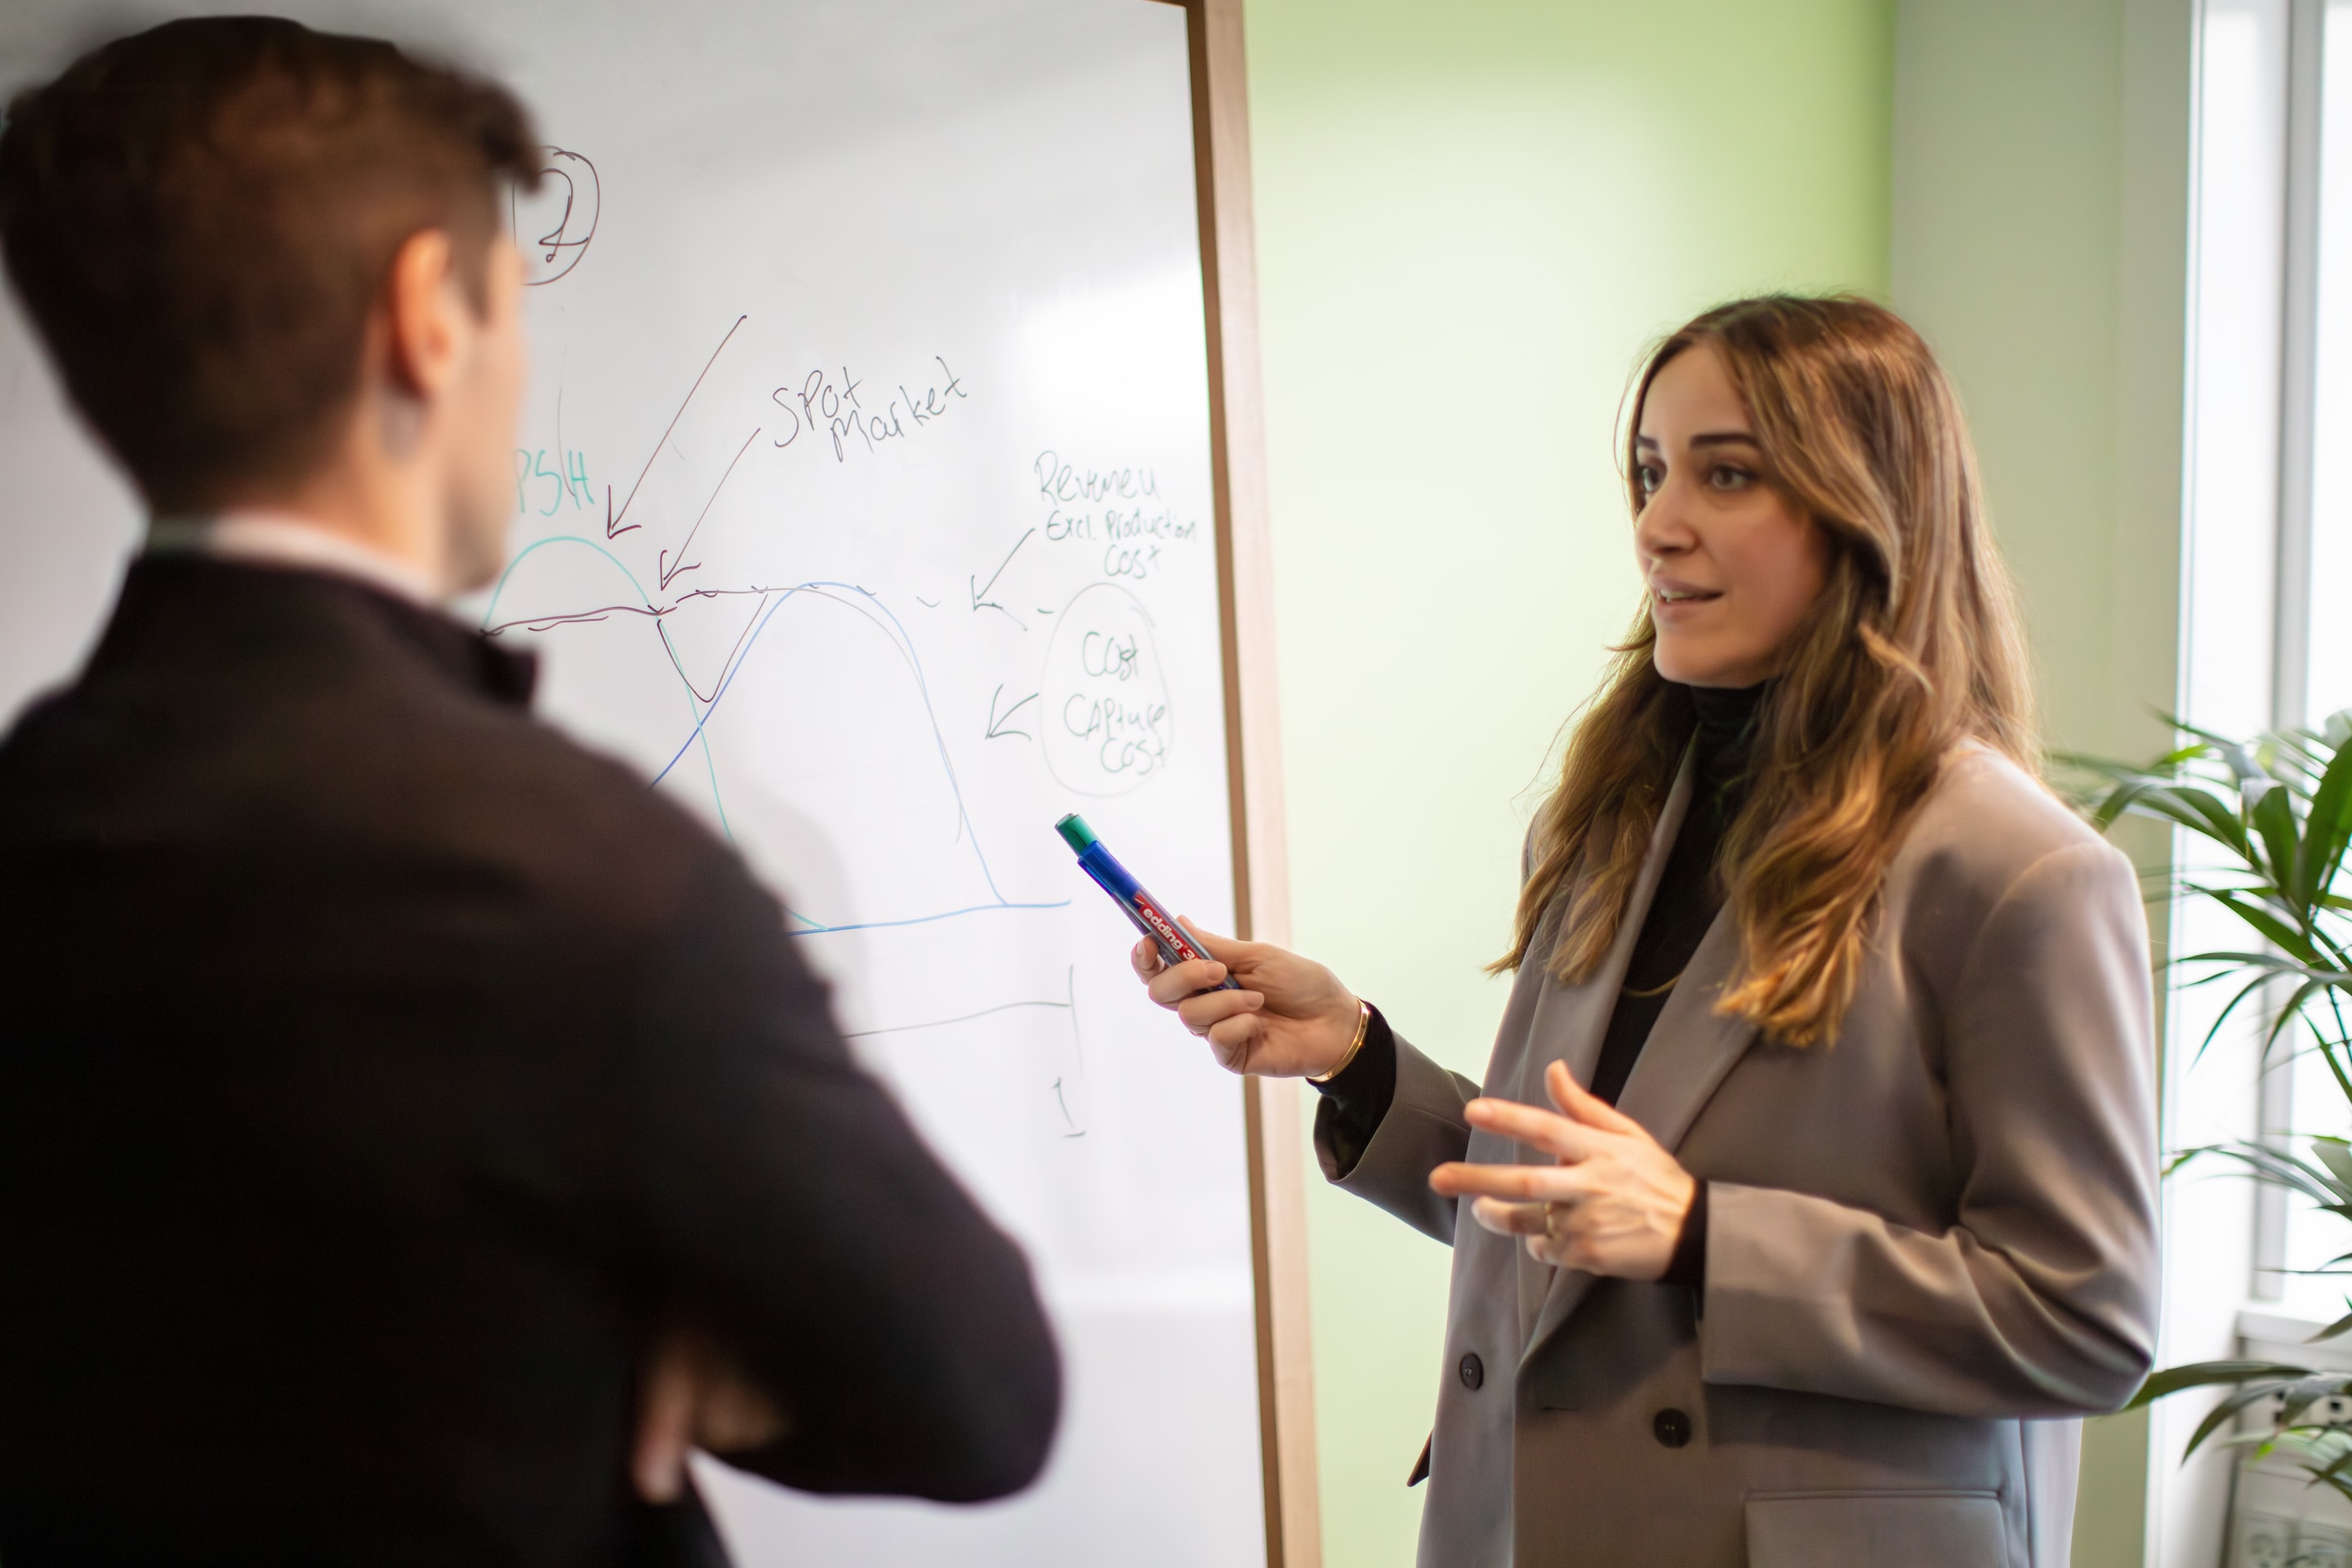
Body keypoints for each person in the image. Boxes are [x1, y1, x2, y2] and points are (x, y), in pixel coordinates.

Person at [0, 18, 1058, 1566]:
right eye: (511, 301)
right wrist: (655, 1334)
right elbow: (982, 1395)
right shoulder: (595, 884)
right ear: (429, 314)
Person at [1137, 295, 2158, 1568]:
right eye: (1648, 472)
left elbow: (2088, 1323)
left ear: (1870, 511)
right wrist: (1354, 1056)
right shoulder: (1612, 817)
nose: (1658, 526)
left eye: (1726, 475)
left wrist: (1704, 1236)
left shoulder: (2021, 873)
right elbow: (1578, 1210)